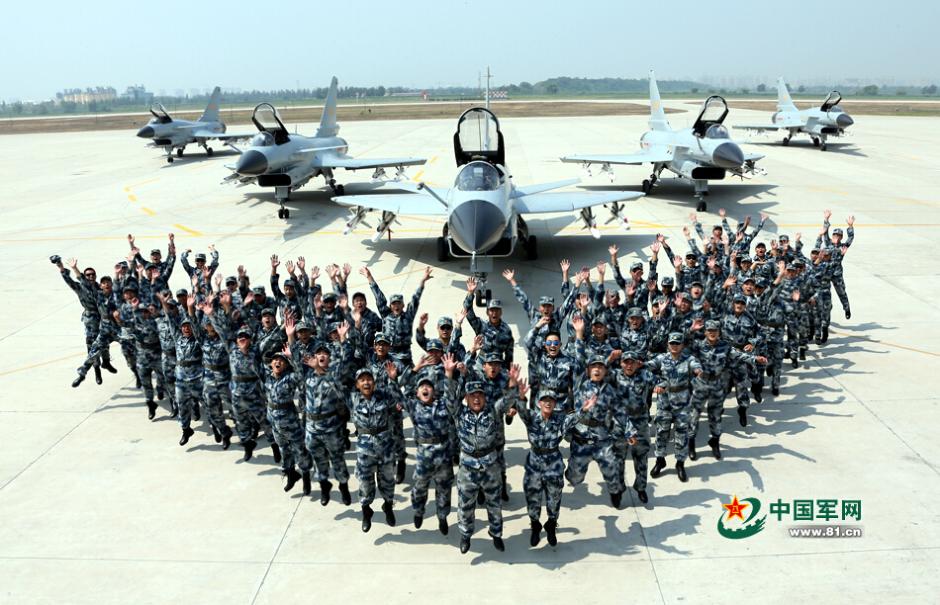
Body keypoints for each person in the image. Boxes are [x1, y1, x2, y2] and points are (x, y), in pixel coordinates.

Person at [513, 390, 603, 547]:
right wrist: (520, 396)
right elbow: (521, 409)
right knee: (533, 498)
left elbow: (575, 418)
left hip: (553, 463)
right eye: (544, 400)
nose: (548, 403)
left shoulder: (560, 420)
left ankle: (551, 525)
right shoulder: (532, 418)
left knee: (554, 498)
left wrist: (585, 409)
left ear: (555, 404)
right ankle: (535, 526)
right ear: (539, 403)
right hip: (534, 463)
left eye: (551, 400)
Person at [448, 375, 521, 554]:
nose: (476, 398)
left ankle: (496, 533)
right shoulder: (460, 413)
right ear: (466, 398)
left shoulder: (493, 411)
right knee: (465, 504)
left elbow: (507, 401)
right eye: (472, 395)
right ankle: (465, 534)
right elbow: (449, 397)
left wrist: (512, 386)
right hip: (467, 468)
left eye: (480, 395)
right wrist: (450, 376)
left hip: (490, 466)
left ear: (485, 397)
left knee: (494, 503)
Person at [399, 362, 459, 535]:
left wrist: (448, 375)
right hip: (424, 458)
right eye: (422, 387)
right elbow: (395, 391)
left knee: (444, 489)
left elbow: (452, 397)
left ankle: (442, 517)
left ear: (434, 391)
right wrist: (414, 370)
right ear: (417, 393)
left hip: (444, 457)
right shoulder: (413, 406)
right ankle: (418, 511)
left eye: (429, 386)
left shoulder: (443, 405)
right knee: (419, 488)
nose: (425, 388)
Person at [565, 354, 631, 508]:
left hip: (602, 439)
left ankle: (616, 492)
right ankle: (571, 473)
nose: (597, 370)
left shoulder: (609, 391)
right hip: (581, 439)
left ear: (605, 371)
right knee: (575, 478)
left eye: (601, 367)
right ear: (588, 370)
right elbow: (578, 358)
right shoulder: (579, 384)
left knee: (612, 469)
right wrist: (579, 335)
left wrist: (630, 431)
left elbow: (620, 412)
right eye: (594, 367)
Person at [348, 366, 402, 532]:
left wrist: (393, 380)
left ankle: (388, 506)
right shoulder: (352, 399)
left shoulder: (384, 396)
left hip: (385, 447)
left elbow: (398, 402)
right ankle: (366, 510)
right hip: (365, 451)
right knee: (365, 482)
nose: (366, 382)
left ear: (374, 382)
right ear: (357, 384)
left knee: (387, 480)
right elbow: (335, 381)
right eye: (362, 380)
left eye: (369, 379)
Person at [646, 332, 702, 482]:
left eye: (677, 343)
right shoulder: (661, 359)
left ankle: (680, 463)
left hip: (682, 404)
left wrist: (698, 372)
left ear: (682, 345)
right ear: (668, 345)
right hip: (664, 403)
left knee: (681, 434)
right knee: (661, 432)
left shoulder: (689, 359)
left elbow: (696, 367)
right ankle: (660, 460)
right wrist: (656, 383)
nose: (675, 346)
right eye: (672, 343)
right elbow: (645, 369)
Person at [610, 350, 656, 503]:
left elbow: (662, 378)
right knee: (618, 458)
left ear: (638, 363)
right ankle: (618, 490)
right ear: (621, 363)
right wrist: (610, 358)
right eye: (625, 362)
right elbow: (596, 370)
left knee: (641, 456)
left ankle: (641, 487)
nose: (629, 365)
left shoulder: (645, 375)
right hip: (620, 422)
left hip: (640, 421)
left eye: (632, 362)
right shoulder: (614, 375)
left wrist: (661, 386)